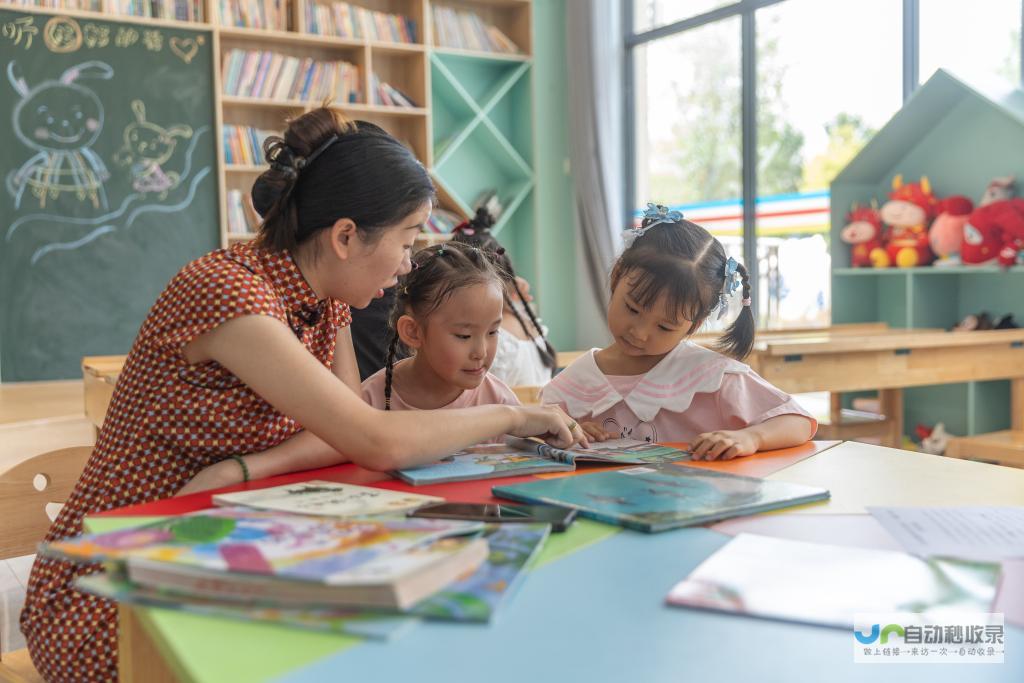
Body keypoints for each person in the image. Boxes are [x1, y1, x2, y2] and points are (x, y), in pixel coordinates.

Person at [20, 108, 584, 682]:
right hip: (115, 581)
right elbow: (374, 440)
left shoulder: (325, 300)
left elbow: (344, 434)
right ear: (345, 237)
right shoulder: (229, 294)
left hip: (221, 541)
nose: (410, 261)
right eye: (408, 237)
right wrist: (511, 415)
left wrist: (244, 469)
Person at [541, 203, 816, 460]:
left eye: (665, 326)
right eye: (633, 309)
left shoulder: (712, 378)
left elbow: (797, 421)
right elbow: (535, 441)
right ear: (616, 277)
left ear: (693, 325)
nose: (640, 332)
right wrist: (569, 436)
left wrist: (752, 437)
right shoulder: (571, 386)